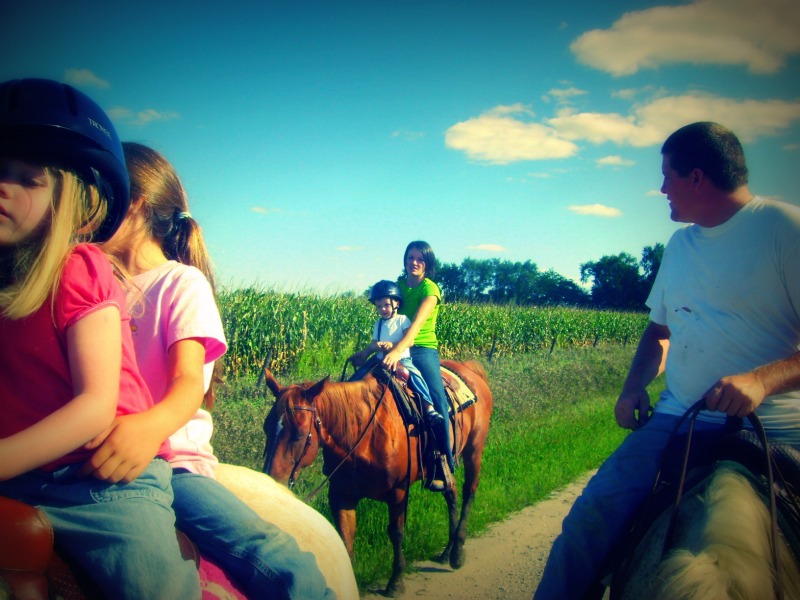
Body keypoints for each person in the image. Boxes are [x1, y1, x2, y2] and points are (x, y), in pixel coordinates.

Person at [533, 121, 800, 599]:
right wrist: (633, 386)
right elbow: (659, 334)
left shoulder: (784, 229)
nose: (660, 189)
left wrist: (762, 380)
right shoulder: (680, 247)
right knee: (586, 522)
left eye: (667, 177)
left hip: (781, 429)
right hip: (679, 421)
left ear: (697, 178)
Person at [85, 141, 334, 599]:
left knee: (269, 553)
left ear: (135, 203)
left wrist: (145, 431)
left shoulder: (180, 283)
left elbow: (187, 384)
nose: (85, 211)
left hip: (171, 460)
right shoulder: (88, 283)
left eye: (97, 196)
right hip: (91, 456)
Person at [0, 78, 201, 599]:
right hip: (21, 473)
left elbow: (96, 405)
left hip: (99, 481)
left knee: (152, 584)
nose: (4, 186)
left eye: (28, 178)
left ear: (74, 201)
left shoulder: (79, 270)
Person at [381, 241, 454, 490]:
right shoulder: (398, 286)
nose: (414, 262)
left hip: (421, 349)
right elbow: (387, 315)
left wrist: (399, 350)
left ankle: (444, 464)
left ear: (427, 264)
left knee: (437, 399)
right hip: (393, 347)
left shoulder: (430, 290)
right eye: (410, 257)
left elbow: (416, 327)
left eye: (420, 259)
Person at [348, 279, 444, 426]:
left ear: (396, 304)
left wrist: (392, 345)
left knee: (415, 376)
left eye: (386, 305)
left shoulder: (402, 320)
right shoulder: (378, 324)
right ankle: (348, 400)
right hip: (380, 359)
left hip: (401, 358)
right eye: (379, 306)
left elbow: (409, 340)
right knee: (359, 375)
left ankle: (429, 407)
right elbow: (373, 343)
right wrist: (373, 348)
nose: (383, 309)